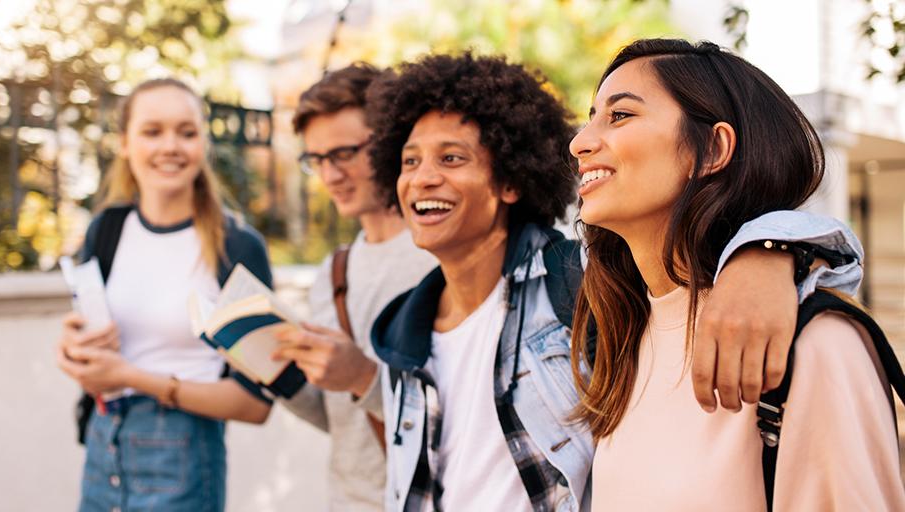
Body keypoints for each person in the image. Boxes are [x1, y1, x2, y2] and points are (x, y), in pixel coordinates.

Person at [365, 52, 863, 511]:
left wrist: (767, 251)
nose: (579, 142)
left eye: (451, 158)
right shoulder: (398, 336)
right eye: (409, 161)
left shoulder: (577, 288)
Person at [569, 38, 904, 511]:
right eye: (591, 116)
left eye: (620, 115)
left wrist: (774, 250)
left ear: (712, 149)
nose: (579, 142)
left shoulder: (811, 341)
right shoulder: (620, 335)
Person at [55, 78, 273, 512]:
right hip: (103, 446)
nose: (170, 146)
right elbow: (92, 351)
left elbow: (255, 403)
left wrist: (131, 377)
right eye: (152, 131)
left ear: (203, 143)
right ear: (124, 143)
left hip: (185, 454)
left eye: (186, 132)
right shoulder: (106, 230)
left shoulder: (237, 246)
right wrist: (74, 353)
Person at [266, 63, 438, 509]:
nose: (330, 176)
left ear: (390, 142)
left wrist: (363, 376)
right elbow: (341, 421)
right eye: (317, 160)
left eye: (343, 153)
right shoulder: (334, 272)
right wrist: (275, 372)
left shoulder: (441, 256)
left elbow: (469, 415)